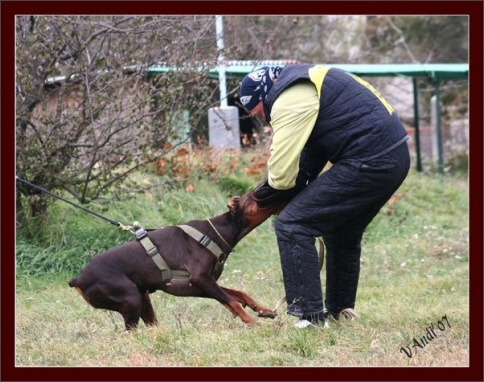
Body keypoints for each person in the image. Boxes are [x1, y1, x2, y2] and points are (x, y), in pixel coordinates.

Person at [239, 64, 410, 328]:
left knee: (293, 225)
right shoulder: (306, 81)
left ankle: (310, 318)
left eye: (259, 112)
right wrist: (299, 184)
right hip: (395, 156)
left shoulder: (288, 99)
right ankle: (340, 310)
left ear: (264, 96)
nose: (263, 119)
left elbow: (282, 176)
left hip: (370, 159)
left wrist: (263, 196)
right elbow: (314, 151)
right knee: (341, 231)